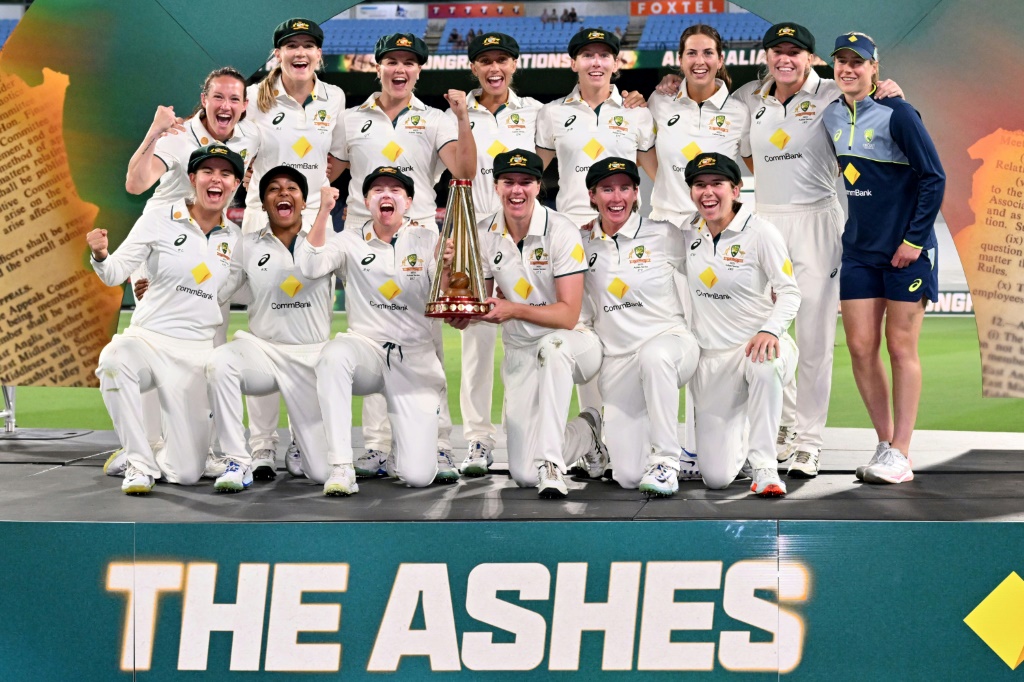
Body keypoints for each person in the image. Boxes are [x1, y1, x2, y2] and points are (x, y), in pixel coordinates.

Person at [732, 23, 902, 478]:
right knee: (767, 331)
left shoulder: (832, 91)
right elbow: (747, 152)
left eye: (794, 52)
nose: (784, 59)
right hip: (765, 219)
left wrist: (890, 91)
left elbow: (873, 99)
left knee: (813, 338)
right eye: (776, 51)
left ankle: (809, 441)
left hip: (816, 220)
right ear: (766, 55)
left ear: (811, 58)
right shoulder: (750, 96)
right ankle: (784, 427)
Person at [334, 32, 476, 481]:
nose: (400, 69)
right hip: (363, 240)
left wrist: (463, 118)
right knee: (370, 334)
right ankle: (376, 446)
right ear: (376, 66)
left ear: (419, 70)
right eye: (391, 61)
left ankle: (438, 443)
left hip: (419, 238)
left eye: (409, 63)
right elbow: (326, 173)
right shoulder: (349, 120)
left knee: (427, 343)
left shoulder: (434, 120)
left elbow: (465, 172)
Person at [115, 67, 261, 479]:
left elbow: (247, 178)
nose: (226, 106)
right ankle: (141, 450)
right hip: (161, 246)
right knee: (150, 339)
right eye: (219, 97)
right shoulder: (178, 136)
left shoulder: (249, 138)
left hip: (210, 247)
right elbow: (135, 184)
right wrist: (154, 130)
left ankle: (206, 446)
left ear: (244, 106)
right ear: (204, 99)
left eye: (234, 99)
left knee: (210, 346)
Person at [449, 149, 606, 498]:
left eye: (525, 182)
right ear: (496, 186)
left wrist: (513, 309)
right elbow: (482, 302)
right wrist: (461, 312)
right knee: (521, 472)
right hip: (521, 349)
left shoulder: (561, 230)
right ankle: (588, 430)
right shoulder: (484, 232)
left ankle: (552, 465)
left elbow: (567, 314)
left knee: (553, 348)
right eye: (508, 182)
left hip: (574, 341)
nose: (516, 190)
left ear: (538, 186)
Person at [88, 144, 244, 494]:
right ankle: (138, 462)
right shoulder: (159, 217)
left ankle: (153, 451)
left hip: (196, 352)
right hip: (148, 339)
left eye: (225, 174)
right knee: (113, 360)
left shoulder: (236, 240)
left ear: (235, 184)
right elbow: (115, 273)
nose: (215, 179)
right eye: (208, 171)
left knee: (187, 474)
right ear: (193, 179)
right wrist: (100, 255)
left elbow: (240, 287)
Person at [824, 33, 945, 484]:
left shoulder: (900, 113)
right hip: (858, 249)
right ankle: (885, 444)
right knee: (859, 348)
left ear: (875, 67)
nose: (849, 69)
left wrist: (914, 240)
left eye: (859, 62)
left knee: (900, 347)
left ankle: (903, 452)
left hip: (906, 252)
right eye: (842, 61)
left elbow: (934, 176)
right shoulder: (832, 114)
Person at [296, 167, 450, 489]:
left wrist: (447, 265)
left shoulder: (428, 238)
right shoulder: (348, 240)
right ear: (366, 201)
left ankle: (401, 452)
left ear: (408, 202)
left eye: (396, 190)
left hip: (415, 357)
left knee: (417, 476)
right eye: (377, 189)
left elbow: (441, 292)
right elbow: (309, 267)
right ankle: (340, 467)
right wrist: (324, 211)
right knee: (333, 356)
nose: (386, 195)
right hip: (367, 350)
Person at [243, 18, 347, 478]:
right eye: (291, 46)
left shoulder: (335, 98)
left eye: (309, 45)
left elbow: (337, 158)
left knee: (313, 333)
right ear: (278, 55)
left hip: (312, 225)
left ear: (319, 55)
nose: (300, 52)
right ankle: (261, 445)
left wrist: (316, 199)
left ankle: (306, 442)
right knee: (264, 332)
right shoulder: (253, 98)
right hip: (259, 222)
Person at [206, 167, 340, 493]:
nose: (283, 194)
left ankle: (302, 444)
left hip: (310, 359)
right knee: (220, 362)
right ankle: (238, 459)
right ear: (263, 203)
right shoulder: (247, 245)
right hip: (263, 354)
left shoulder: (327, 243)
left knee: (321, 472)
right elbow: (219, 292)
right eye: (273, 190)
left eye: (292, 188)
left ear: (303, 201)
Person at [450, 32, 543, 476]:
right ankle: (477, 441)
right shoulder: (452, 114)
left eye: (502, 60)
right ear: (473, 67)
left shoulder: (536, 114)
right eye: (485, 60)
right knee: (477, 346)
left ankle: (528, 435)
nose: (494, 68)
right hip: (475, 233)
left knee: (527, 340)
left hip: (525, 234)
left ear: (514, 65)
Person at [680, 153, 800, 497]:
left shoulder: (761, 232)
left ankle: (765, 464)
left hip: (758, 346)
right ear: (691, 192)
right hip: (712, 361)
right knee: (716, 478)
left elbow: (790, 292)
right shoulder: (687, 232)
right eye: (700, 185)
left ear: (736, 190)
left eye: (717, 184)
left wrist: (770, 329)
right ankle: (745, 448)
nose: (708, 193)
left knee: (765, 364)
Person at [582, 158, 700, 496]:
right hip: (618, 361)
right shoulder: (582, 242)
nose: (616, 197)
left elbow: (707, 261)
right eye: (607, 189)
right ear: (593, 195)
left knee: (654, 355)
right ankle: (592, 430)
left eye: (624, 188)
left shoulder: (663, 234)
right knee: (629, 476)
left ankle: (666, 459)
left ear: (636, 193)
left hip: (671, 345)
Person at [536, 27, 655, 227]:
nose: (596, 62)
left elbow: (661, 176)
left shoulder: (637, 112)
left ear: (616, 63)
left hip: (624, 227)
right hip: (572, 228)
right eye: (587, 55)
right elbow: (532, 173)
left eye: (604, 55)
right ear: (574, 63)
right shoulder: (552, 112)